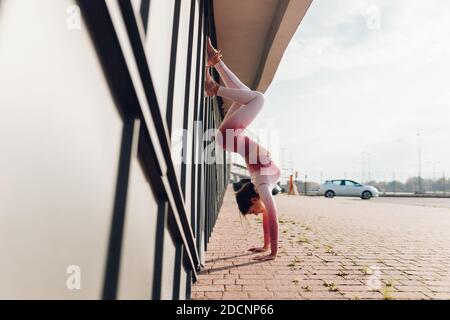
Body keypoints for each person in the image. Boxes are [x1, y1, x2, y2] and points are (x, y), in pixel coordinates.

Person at [204, 37, 281, 261]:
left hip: (230, 136)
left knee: (258, 98)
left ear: (252, 200)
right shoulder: (265, 184)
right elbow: (269, 217)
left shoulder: (262, 185)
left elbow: (273, 217)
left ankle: (214, 87)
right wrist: (267, 248)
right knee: (249, 94)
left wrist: (273, 253)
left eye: (253, 211)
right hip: (229, 136)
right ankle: (215, 63)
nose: (258, 214)